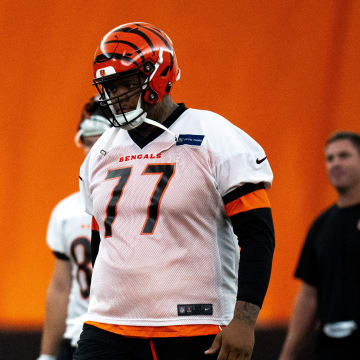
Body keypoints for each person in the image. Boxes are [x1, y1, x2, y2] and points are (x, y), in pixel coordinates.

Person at [74, 22, 275, 360]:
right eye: (109, 86)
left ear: (157, 75)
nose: (116, 95)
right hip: (108, 328)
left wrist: (244, 320)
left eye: (125, 83)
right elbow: (102, 241)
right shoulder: (101, 151)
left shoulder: (215, 136)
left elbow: (258, 235)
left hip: (195, 326)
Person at [37, 97, 111, 360]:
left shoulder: (140, 202)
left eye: (100, 142)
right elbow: (60, 286)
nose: (92, 153)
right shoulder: (66, 212)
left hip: (129, 334)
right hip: (80, 338)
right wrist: (47, 355)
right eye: (88, 143)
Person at [279, 131, 360, 360]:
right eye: (330, 158)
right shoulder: (321, 225)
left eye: (344, 156)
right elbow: (308, 295)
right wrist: (287, 355)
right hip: (331, 348)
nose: (335, 163)